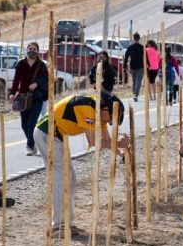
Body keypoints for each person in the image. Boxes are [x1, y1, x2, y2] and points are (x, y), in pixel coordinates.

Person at [33, 93, 130, 230]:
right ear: (106, 110)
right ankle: (59, 226)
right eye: (110, 120)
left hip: (57, 136)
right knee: (62, 178)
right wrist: (120, 143)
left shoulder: (99, 113)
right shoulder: (88, 108)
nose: (108, 123)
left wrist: (122, 154)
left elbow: (107, 141)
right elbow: (94, 141)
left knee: (70, 178)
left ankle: (66, 223)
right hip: (47, 134)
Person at [9, 42, 49, 156]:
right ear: (27, 50)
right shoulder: (21, 63)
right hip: (23, 97)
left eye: (34, 49)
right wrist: (12, 93)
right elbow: (16, 79)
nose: (32, 50)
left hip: (37, 97)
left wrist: (37, 83)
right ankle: (34, 142)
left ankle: (29, 146)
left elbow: (47, 80)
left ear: (37, 51)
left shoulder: (41, 65)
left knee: (32, 122)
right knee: (24, 124)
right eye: (30, 48)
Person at [123, 32, 144, 102]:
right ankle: (136, 94)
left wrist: (124, 66)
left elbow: (126, 57)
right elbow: (146, 57)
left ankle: (134, 93)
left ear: (133, 38)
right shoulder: (142, 47)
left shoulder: (130, 47)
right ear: (139, 38)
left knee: (134, 81)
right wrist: (148, 65)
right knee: (138, 81)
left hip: (132, 66)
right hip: (140, 66)